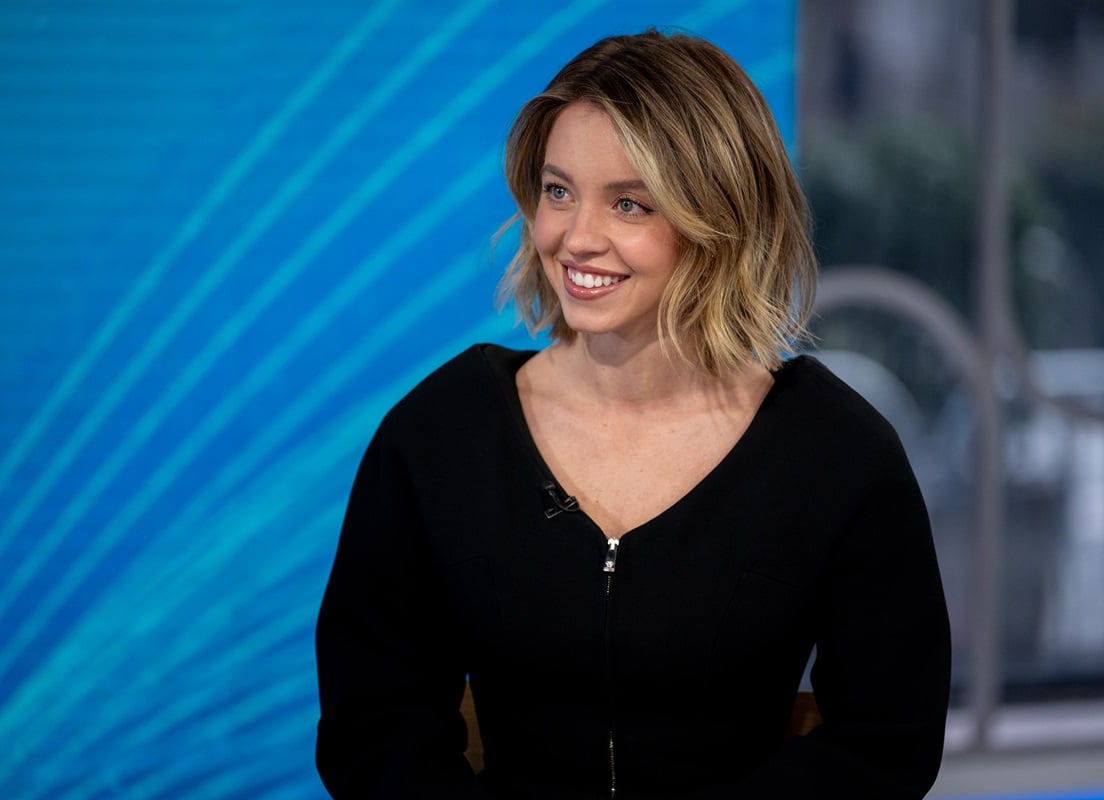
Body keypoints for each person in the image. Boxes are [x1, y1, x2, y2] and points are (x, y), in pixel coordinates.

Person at [315, 29, 951, 799]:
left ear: (719, 219)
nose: (577, 238)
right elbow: (373, 727)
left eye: (629, 203)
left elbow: (886, 743)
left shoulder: (839, 454)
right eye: (558, 191)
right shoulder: (438, 436)